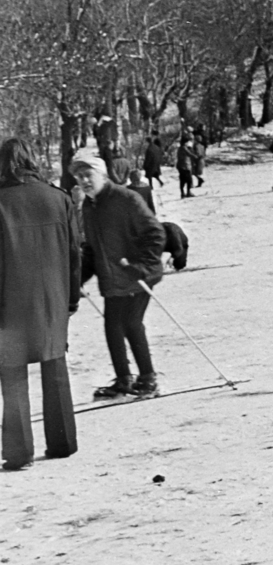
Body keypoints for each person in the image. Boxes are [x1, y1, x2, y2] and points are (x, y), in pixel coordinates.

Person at [0, 138, 80, 471]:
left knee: (12, 375)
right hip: (53, 299)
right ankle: (63, 443)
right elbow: (75, 254)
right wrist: (71, 299)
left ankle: (19, 452)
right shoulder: (59, 198)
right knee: (55, 367)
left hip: (10, 303)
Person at [71, 149, 164, 398]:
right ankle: (124, 380)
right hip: (112, 278)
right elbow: (92, 249)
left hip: (137, 274)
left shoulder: (126, 198)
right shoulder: (89, 206)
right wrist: (78, 279)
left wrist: (141, 266)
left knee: (131, 323)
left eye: (88, 175)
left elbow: (155, 233)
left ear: (102, 175)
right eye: (79, 177)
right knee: (112, 327)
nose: (84, 181)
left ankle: (148, 379)